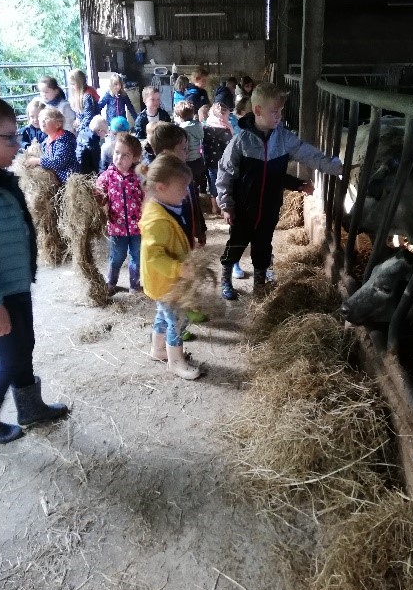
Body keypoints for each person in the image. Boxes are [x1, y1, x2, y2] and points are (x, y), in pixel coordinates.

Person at [0, 92, 68, 443]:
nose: (17, 144)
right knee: (11, 354)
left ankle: (30, 407)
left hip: (12, 285)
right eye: (8, 137)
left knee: (23, 344)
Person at [216, 82, 342, 300]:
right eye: (275, 111)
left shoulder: (284, 139)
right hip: (243, 208)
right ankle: (225, 279)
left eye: (281, 111)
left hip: (269, 208)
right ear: (257, 111)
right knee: (235, 245)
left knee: (263, 247)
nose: (279, 116)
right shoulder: (241, 141)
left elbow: (308, 155)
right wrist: (226, 204)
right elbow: (225, 173)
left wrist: (337, 167)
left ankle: (259, 286)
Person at [139, 154, 201, 380]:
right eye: (182, 189)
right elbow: (155, 256)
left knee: (162, 315)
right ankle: (176, 361)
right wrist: (179, 269)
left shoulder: (166, 206)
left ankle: (158, 350)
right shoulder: (157, 220)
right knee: (177, 320)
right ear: (162, 188)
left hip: (164, 281)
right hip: (166, 282)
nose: (186, 194)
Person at [96, 133, 143, 295]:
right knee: (117, 257)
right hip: (117, 227)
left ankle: (134, 285)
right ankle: (111, 282)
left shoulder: (139, 177)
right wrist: (98, 198)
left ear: (135, 158)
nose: (119, 158)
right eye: (117, 152)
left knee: (137, 257)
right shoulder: (107, 176)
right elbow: (98, 194)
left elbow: (146, 196)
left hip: (138, 227)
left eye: (126, 155)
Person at [24, 106, 79, 184]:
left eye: (46, 119)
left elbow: (58, 162)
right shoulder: (47, 140)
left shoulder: (64, 139)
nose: (42, 121)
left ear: (57, 124)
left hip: (68, 181)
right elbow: (46, 156)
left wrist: (37, 161)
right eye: (41, 119)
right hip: (57, 180)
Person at [174, 100, 205, 190]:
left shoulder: (182, 129)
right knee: (196, 184)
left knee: (189, 186)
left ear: (180, 116)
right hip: (198, 159)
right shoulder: (198, 125)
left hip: (187, 160)